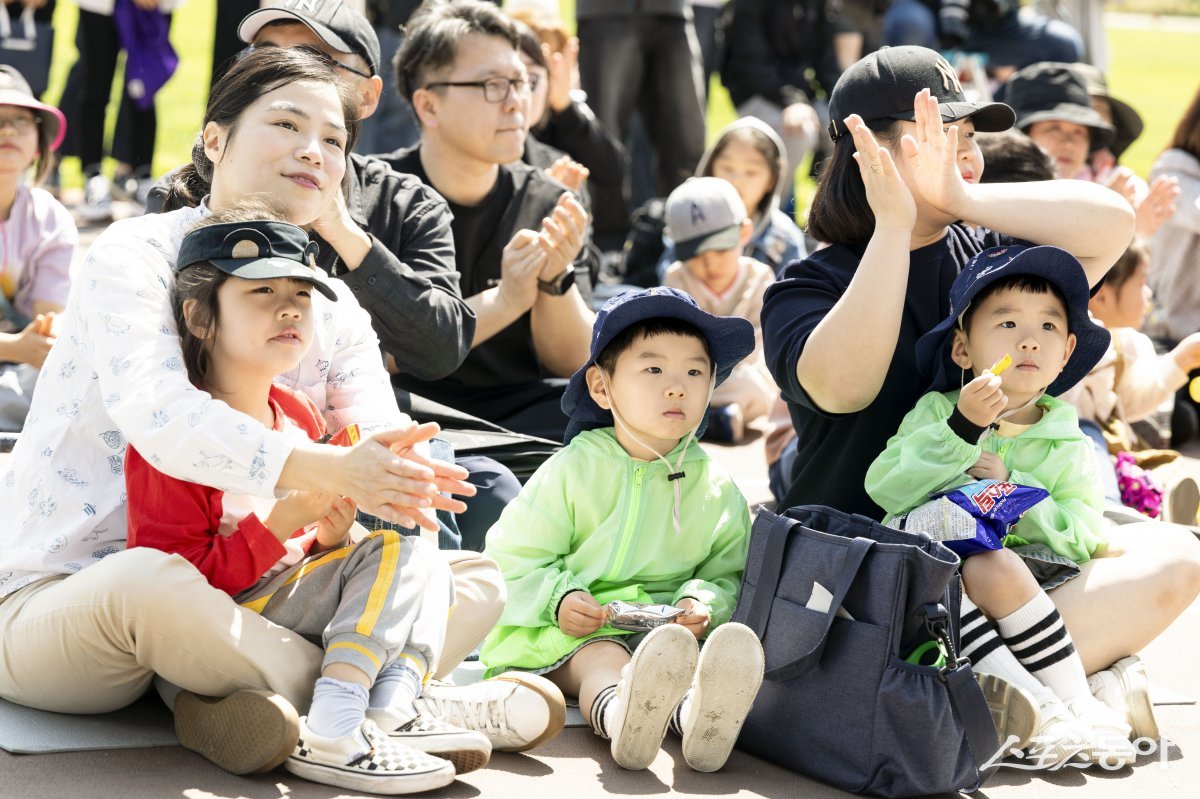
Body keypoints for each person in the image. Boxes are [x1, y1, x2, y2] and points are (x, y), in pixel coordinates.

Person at [0, 46, 557, 779]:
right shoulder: (135, 254)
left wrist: (391, 486)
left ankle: (242, 701)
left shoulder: (333, 303)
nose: (313, 150)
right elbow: (161, 414)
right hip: (75, 596)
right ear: (214, 138)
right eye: (288, 124)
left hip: (250, 597)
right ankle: (404, 701)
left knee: (468, 576)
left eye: (333, 139)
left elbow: (379, 440)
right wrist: (332, 468)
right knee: (150, 580)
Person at [760, 45, 1199, 741]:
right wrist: (896, 226)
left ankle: (1013, 690)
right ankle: (1056, 684)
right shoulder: (807, 285)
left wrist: (962, 198)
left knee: (1176, 558)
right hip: (871, 582)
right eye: (937, 138)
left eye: (968, 140)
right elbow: (844, 389)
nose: (961, 154)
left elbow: (1112, 225)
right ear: (867, 149)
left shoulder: (983, 255)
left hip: (998, 563)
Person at [127, 211, 495, 793]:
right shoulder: (177, 430)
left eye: (302, 292)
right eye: (262, 292)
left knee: (462, 574)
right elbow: (165, 581)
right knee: (399, 556)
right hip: (219, 623)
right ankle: (343, 722)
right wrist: (284, 523)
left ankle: (375, 704)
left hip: (290, 620)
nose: (291, 307)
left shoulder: (299, 414)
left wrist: (328, 536)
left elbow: (310, 557)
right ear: (199, 316)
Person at [866, 244, 1138, 766]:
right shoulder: (937, 412)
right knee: (956, 572)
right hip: (936, 588)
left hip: (1031, 589)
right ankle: (1049, 708)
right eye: (1008, 324)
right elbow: (885, 488)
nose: (1030, 339)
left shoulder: (1067, 441)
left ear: (1066, 353)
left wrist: (1016, 489)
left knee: (995, 562)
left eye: (1049, 328)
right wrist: (960, 431)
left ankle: (1074, 704)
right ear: (963, 350)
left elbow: (1081, 533)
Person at [480, 286, 765, 772]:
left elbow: (729, 570)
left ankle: (693, 716)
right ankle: (621, 715)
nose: (677, 386)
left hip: (665, 637)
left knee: (685, 656)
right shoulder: (573, 469)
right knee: (604, 658)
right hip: (569, 633)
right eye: (653, 369)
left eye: (695, 372)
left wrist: (701, 605)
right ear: (601, 387)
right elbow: (511, 556)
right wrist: (560, 599)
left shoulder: (715, 487)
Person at [385, 0, 594, 442]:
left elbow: (574, 361)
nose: (517, 102)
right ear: (428, 106)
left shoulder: (549, 199)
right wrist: (507, 299)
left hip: (519, 408)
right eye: (494, 85)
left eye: (521, 82)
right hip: (408, 406)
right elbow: (373, 357)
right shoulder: (379, 194)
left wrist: (555, 278)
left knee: (607, 412)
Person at [1063, 239, 1200, 523]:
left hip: (1113, 451)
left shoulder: (1125, 341)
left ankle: (1159, 509)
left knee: (1158, 466)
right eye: (1140, 283)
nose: (1148, 294)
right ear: (1100, 298)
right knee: (1089, 434)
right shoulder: (1075, 341)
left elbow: (1130, 404)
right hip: (1072, 459)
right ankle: (1118, 515)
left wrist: (1182, 360)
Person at [1001, 62, 1179, 239]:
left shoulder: (1111, 189)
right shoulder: (997, 197)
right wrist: (1110, 230)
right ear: (1020, 136)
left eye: (1079, 132)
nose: (1069, 143)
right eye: (1053, 128)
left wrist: (1132, 235)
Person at [660, 177, 776, 442]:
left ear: (744, 233)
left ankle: (697, 421)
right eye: (696, 254)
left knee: (759, 388)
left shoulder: (758, 276)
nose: (710, 263)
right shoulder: (677, 278)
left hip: (743, 376)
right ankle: (713, 419)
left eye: (721, 249)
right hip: (693, 375)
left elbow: (761, 346)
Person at [0, 66, 76, 432]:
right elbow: (23, 346)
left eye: (20, 120)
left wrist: (32, 345)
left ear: (38, 143)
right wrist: (13, 347)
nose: (9, 130)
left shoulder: (49, 217)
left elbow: (46, 322)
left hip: (20, 373)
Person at [60, 0, 181, 220]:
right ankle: (93, 175)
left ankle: (142, 176)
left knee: (145, 86)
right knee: (96, 86)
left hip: (154, 4)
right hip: (100, 6)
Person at [658, 117, 807, 276]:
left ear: (772, 180)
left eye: (751, 172)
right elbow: (668, 272)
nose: (736, 181)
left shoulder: (784, 237)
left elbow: (796, 289)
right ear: (710, 168)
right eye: (727, 168)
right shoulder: (690, 218)